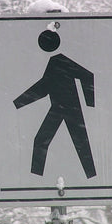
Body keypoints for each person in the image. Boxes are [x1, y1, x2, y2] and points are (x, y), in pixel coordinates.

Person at [13, 29, 97, 179]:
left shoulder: (59, 61)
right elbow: (44, 87)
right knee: (43, 141)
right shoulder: (54, 62)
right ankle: (35, 179)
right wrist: (18, 103)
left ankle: (91, 177)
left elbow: (87, 75)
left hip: (70, 108)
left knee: (79, 143)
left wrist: (90, 103)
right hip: (59, 108)